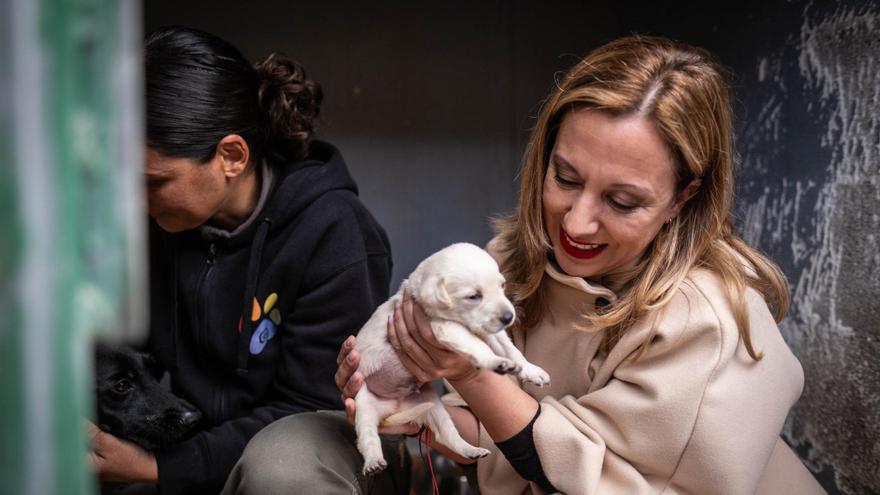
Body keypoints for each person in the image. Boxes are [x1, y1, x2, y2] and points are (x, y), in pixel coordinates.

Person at [336, 35, 827, 494]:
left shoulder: (711, 322)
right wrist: (399, 401)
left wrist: (469, 373)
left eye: (622, 201)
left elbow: (609, 481)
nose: (577, 223)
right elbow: (493, 443)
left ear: (683, 197)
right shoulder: (508, 264)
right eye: (566, 177)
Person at [87, 26, 409, 494]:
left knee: (279, 470)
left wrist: (159, 469)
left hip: (309, 454)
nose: (135, 200)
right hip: (181, 444)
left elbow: (311, 406)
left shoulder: (334, 234)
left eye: (153, 182)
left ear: (231, 156)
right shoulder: (157, 223)